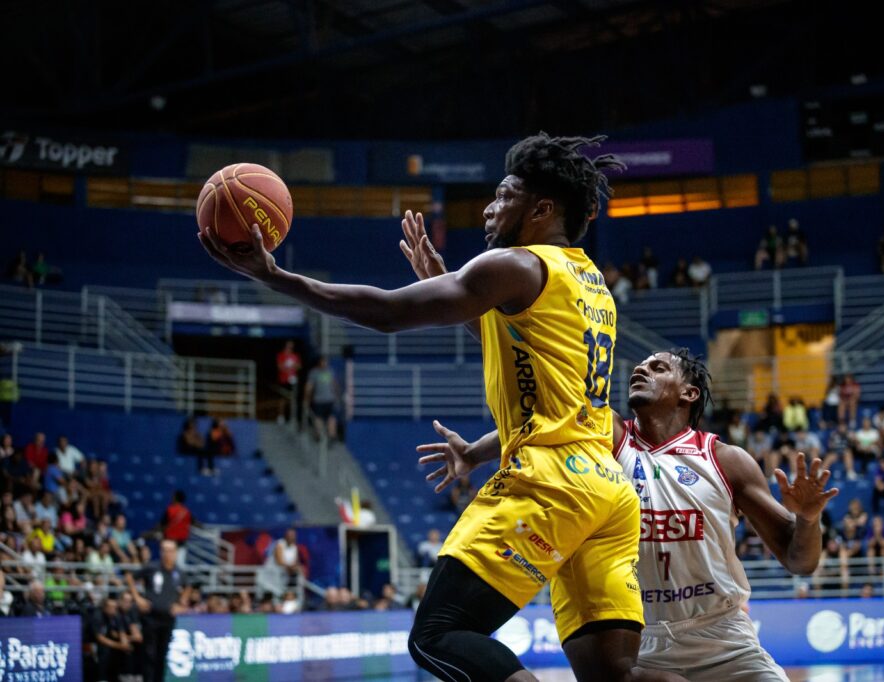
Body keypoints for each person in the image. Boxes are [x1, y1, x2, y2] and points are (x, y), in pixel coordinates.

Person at [200, 133, 677, 682]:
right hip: (606, 490)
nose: (490, 207)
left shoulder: (515, 265)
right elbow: (545, 383)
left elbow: (385, 313)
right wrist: (476, 449)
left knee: (439, 635)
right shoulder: (591, 282)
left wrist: (274, 276)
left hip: (552, 484)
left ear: (542, 209)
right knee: (616, 674)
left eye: (504, 195)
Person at [419, 348, 838, 680]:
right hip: (635, 641)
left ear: (688, 393)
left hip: (722, 637)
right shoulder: (607, 435)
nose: (641, 371)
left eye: (657, 368)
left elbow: (799, 560)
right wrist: (474, 453)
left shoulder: (726, 460)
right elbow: (545, 423)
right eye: (639, 367)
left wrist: (807, 518)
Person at [126, 539, 190, 682]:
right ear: (161, 552)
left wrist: (181, 603)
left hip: (168, 619)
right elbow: (130, 577)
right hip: (150, 617)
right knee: (149, 655)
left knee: (163, 654)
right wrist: (137, 598)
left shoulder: (179, 572)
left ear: (175, 553)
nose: (167, 553)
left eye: (171, 550)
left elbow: (188, 587)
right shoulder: (152, 567)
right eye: (164, 550)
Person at [304, 356, 341, 442]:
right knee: (318, 418)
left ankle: (332, 436)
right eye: (323, 362)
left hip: (330, 400)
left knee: (332, 418)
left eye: (326, 362)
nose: (325, 364)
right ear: (319, 362)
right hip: (319, 400)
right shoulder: (314, 373)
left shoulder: (330, 371)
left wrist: (337, 397)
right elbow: (309, 387)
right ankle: (319, 435)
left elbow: (334, 384)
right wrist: (306, 399)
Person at [276, 340, 302, 424]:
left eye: (291, 346)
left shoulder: (295, 356)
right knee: (282, 399)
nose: (290, 347)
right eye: (288, 345)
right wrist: (291, 368)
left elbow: (299, 366)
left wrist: (290, 367)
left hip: (292, 380)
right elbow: (280, 367)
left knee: (293, 399)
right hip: (283, 380)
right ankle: (281, 416)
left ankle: (292, 417)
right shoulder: (281, 355)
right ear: (285, 346)